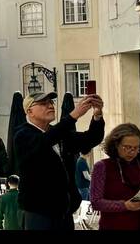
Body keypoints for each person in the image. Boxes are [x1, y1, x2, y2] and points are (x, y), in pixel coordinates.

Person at [13, 91, 105, 230]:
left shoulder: (60, 134)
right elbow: (43, 142)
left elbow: (91, 139)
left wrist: (97, 114)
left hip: (63, 210)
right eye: (43, 103)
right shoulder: (23, 134)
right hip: (38, 210)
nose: (50, 106)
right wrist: (74, 115)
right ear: (29, 111)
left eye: (51, 102)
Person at [89, 123, 140, 230]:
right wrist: (125, 205)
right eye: (127, 147)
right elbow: (96, 202)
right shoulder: (102, 167)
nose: (131, 152)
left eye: (135, 148)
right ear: (116, 144)